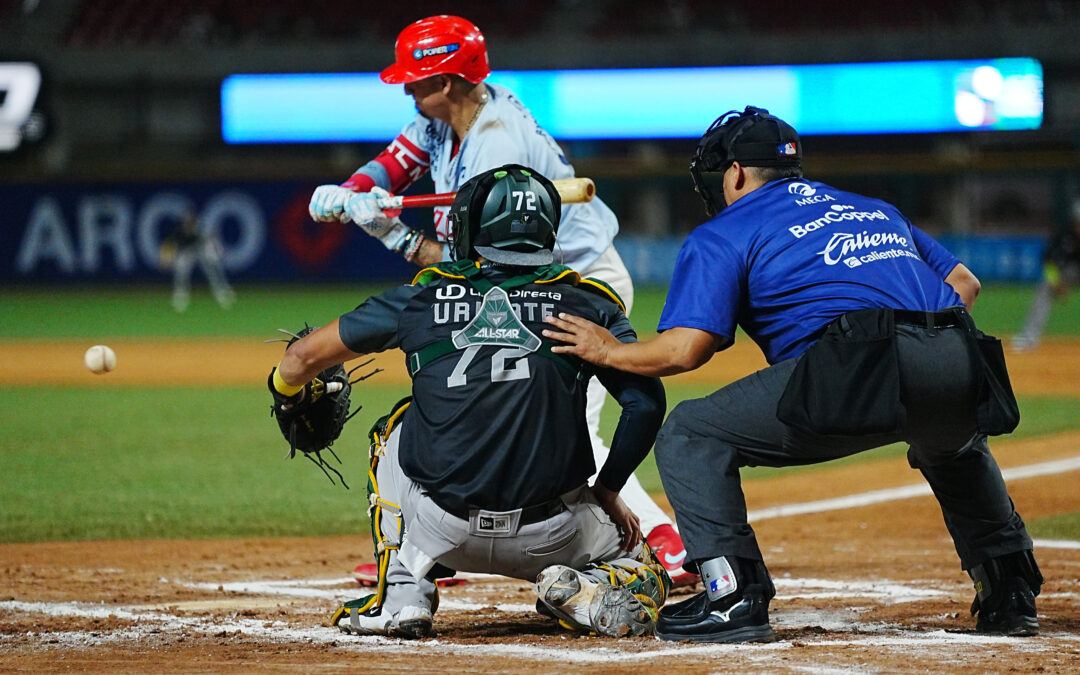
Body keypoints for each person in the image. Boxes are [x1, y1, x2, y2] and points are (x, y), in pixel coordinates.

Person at [543, 107, 1042, 643]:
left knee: (690, 434)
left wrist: (607, 350)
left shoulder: (725, 230)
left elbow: (686, 350)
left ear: (735, 173)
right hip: (960, 354)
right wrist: (922, 358)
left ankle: (734, 597)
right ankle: (1010, 591)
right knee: (954, 442)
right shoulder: (872, 208)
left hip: (853, 365)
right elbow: (964, 283)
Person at [307, 14, 693, 586]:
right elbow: (395, 162)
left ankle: (663, 541)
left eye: (417, 79)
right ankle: (443, 542)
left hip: (572, 285)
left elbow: (467, 271)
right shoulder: (452, 111)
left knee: (568, 425)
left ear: (448, 81)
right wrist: (352, 192)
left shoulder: (496, 146)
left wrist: (394, 235)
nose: (407, 89)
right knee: (488, 398)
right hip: (522, 281)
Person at [271, 165, 670, 638]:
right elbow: (646, 404)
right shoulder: (589, 305)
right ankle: (585, 592)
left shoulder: (421, 298)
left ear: (467, 229)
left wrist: (283, 392)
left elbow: (300, 358)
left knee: (393, 426)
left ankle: (401, 593)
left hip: (442, 531)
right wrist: (607, 492)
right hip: (555, 535)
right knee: (648, 577)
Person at [1012, 198, 1080, 351]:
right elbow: (1048, 261)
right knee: (1045, 289)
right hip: (1067, 274)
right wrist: (1056, 282)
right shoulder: (1063, 236)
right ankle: (1029, 337)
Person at [158, 213, 236, 312]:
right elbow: (169, 245)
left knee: (212, 270)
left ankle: (222, 293)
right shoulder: (179, 233)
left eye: (191, 223)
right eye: (187, 223)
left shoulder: (199, 232)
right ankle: (180, 298)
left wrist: (215, 252)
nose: (189, 225)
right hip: (186, 253)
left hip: (199, 252)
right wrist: (165, 259)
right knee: (181, 273)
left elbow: (210, 242)